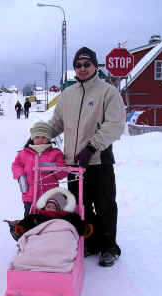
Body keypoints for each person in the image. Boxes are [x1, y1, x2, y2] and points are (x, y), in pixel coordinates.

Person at [47, 46, 126, 267]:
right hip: (74, 164)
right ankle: (91, 242)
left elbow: (115, 125)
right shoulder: (68, 95)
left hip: (98, 161)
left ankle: (109, 246)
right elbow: (57, 123)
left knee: (105, 205)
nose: (82, 68)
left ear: (95, 66)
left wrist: (92, 147)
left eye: (87, 64)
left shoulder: (108, 92)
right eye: (78, 65)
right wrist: (39, 138)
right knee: (81, 205)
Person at [11, 122, 67, 217]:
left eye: (43, 137)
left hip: (49, 197)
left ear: (48, 138)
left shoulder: (55, 153)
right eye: (37, 137)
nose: (40, 140)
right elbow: (16, 165)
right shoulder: (24, 153)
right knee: (30, 217)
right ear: (32, 138)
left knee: (48, 218)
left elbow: (63, 172)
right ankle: (28, 230)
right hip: (30, 195)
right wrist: (21, 176)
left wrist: (52, 167)